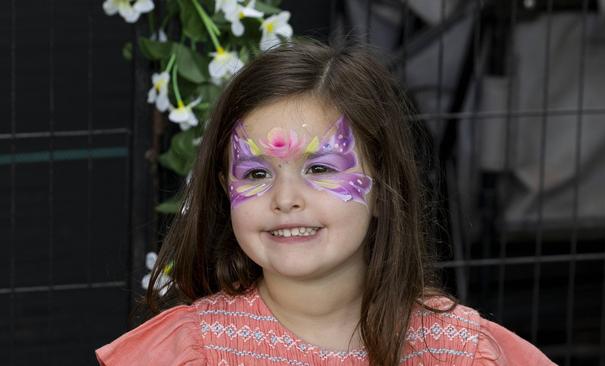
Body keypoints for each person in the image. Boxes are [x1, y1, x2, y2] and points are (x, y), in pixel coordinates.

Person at [96, 40, 555, 366]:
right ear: (223, 189)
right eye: (256, 174)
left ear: (382, 185)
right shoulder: (189, 350)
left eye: (320, 168)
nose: (286, 199)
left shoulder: (462, 351)